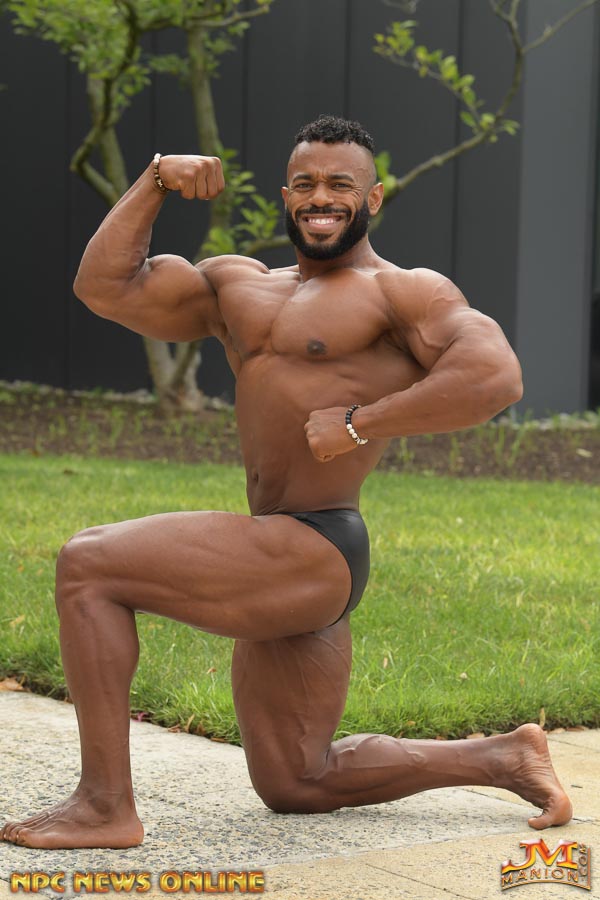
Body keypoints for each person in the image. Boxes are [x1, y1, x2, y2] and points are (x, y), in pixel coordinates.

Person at [1, 115, 572, 850]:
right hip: (279, 549)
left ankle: (103, 805)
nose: (320, 197)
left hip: (316, 542)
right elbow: (106, 287)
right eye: (305, 184)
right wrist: (154, 182)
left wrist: (361, 421)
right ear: (285, 196)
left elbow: (494, 377)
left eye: (340, 184)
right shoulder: (236, 286)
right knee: (297, 779)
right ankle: (502, 756)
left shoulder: (402, 292)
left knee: (89, 564)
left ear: (373, 198)